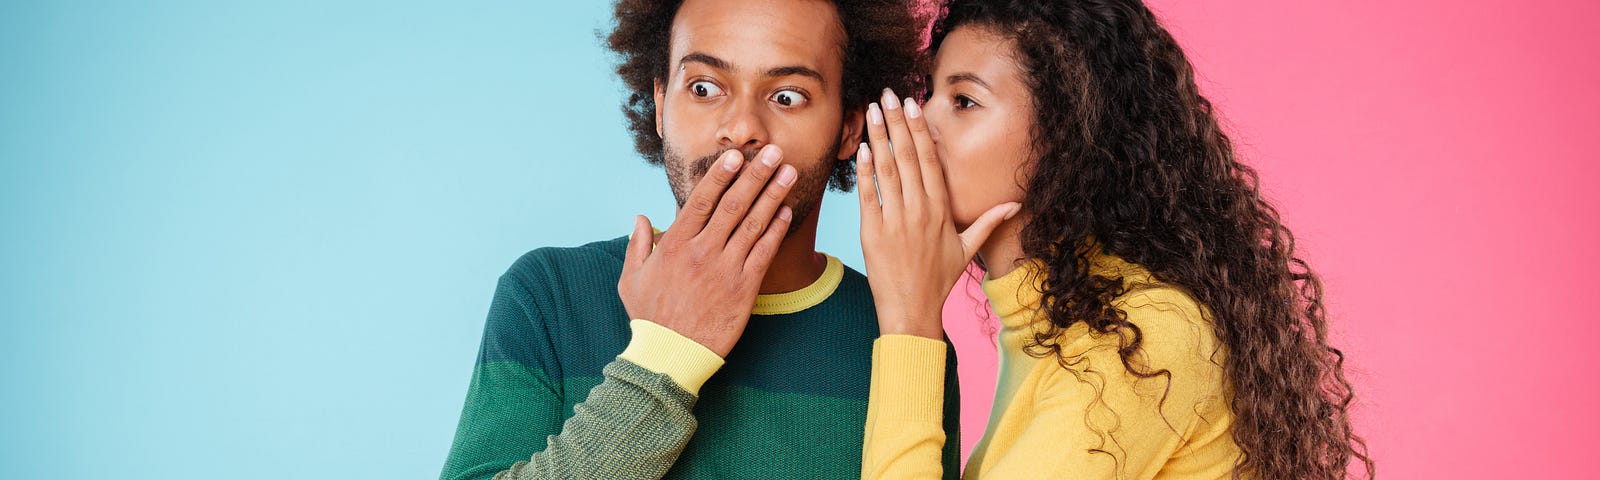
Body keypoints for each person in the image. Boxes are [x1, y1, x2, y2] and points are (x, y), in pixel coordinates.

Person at [439, 0, 963, 479]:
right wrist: (663, 360)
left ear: (849, 128)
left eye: (787, 96)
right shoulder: (549, 296)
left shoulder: (902, 340)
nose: (740, 128)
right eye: (704, 88)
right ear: (661, 101)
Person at [856, 0, 1374, 478]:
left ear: (1065, 138)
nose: (921, 120)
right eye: (929, 94)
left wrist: (909, 321)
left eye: (964, 101)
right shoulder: (1062, 323)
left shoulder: (1143, 340)